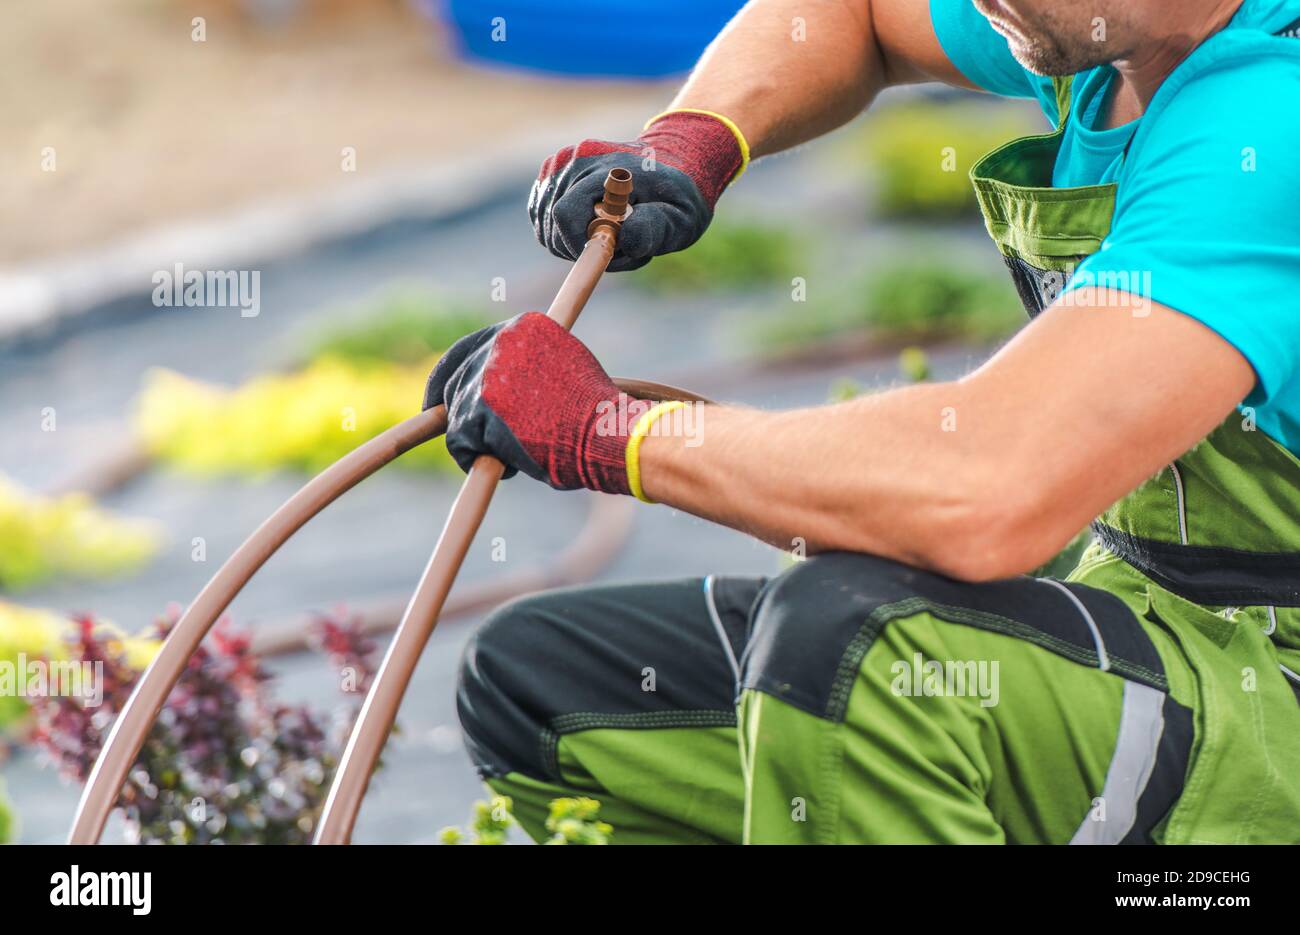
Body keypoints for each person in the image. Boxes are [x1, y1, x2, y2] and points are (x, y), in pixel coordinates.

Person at [423, 0, 1300, 843]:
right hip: (1159, 615)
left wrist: (609, 431)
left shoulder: (1269, 120)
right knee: (545, 687)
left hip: (1272, 703)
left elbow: (985, 488)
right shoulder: (1111, 32)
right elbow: (860, 13)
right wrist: (694, 138)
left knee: (851, 649)